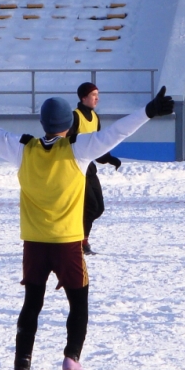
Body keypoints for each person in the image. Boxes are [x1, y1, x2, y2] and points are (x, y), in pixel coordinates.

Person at [0, 81, 174, 370]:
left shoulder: (24, 149)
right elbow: (117, 132)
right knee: (79, 304)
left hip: (34, 245)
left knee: (31, 305)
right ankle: (71, 358)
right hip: (67, 245)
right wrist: (148, 111)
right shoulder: (79, 151)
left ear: (44, 123)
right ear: (68, 124)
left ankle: (21, 369)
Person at [69, 82, 122, 255]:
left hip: (89, 168)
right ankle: (79, 243)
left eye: (97, 94)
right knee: (90, 206)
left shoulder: (95, 118)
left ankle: (80, 241)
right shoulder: (74, 117)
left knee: (98, 208)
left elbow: (96, 147)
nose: (97, 98)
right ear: (83, 98)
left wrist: (109, 158)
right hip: (76, 169)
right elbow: (65, 145)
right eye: (93, 95)